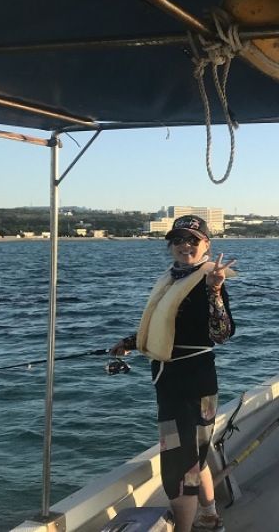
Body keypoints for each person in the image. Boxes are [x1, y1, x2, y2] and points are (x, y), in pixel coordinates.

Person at [110, 215, 236, 532]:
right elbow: (167, 329)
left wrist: (216, 291)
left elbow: (221, 334)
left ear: (207, 244)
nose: (185, 245)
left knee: (181, 468)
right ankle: (209, 515)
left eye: (193, 239)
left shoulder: (209, 280)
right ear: (170, 246)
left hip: (195, 388)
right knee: (192, 457)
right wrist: (129, 342)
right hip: (170, 385)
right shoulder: (174, 278)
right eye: (178, 240)